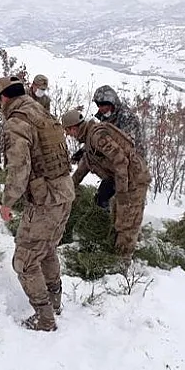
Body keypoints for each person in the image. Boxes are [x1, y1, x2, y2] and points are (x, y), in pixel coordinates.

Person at [0, 75, 74, 332]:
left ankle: (45, 318)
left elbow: (19, 166)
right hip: (64, 193)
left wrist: (7, 201)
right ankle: (55, 303)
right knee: (47, 250)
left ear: (4, 98)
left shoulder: (17, 122)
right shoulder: (42, 113)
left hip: (45, 201)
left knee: (25, 261)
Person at [62, 109, 151, 269]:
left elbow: (120, 161)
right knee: (119, 218)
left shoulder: (97, 137)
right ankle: (132, 245)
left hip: (134, 180)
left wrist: (122, 193)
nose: (69, 135)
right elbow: (81, 170)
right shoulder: (89, 144)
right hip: (124, 181)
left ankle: (122, 265)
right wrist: (67, 190)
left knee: (126, 223)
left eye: (68, 131)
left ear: (74, 128)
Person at [72, 85, 146, 211]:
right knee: (101, 199)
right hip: (114, 167)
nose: (100, 108)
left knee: (117, 203)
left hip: (130, 166)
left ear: (112, 103)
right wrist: (84, 150)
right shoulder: (104, 117)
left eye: (103, 105)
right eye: (98, 105)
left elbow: (126, 147)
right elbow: (98, 140)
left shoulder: (127, 118)